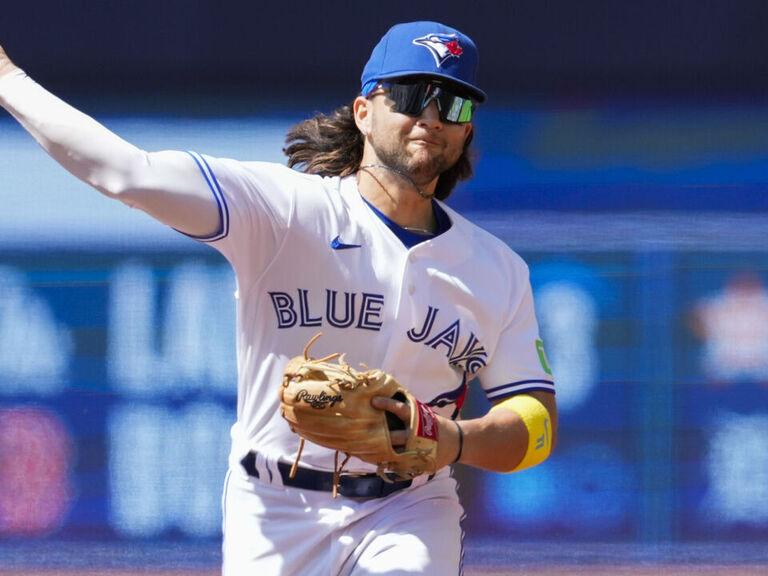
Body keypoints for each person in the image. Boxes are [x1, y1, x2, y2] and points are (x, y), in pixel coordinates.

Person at [0, 21, 557, 576]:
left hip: (408, 506)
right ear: (364, 111)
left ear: (466, 131)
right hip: (272, 506)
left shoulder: (497, 271)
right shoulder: (287, 211)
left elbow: (536, 425)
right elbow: (125, 173)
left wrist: (451, 440)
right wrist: (7, 79)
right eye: (413, 96)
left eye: (455, 105)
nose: (432, 117)